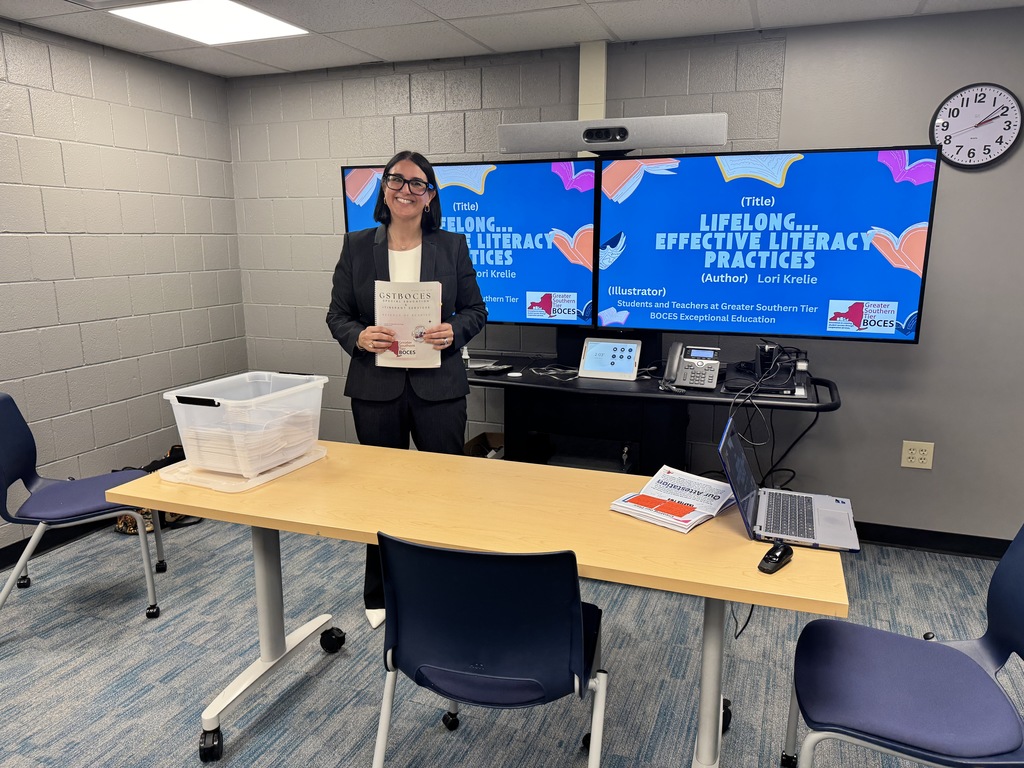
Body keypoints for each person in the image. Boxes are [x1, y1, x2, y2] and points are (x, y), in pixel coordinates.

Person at [326, 150, 487, 628]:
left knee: (444, 493)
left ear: (430, 196)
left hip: (440, 390)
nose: (406, 190)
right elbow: (337, 315)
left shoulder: (452, 246)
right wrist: (359, 337)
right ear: (384, 189)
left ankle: (446, 586)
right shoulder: (357, 246)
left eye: (418, 183)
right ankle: (380, 592)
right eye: (397, 180)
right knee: (379, 494)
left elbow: (476, 310)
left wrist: (453, 331)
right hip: (376, 390)